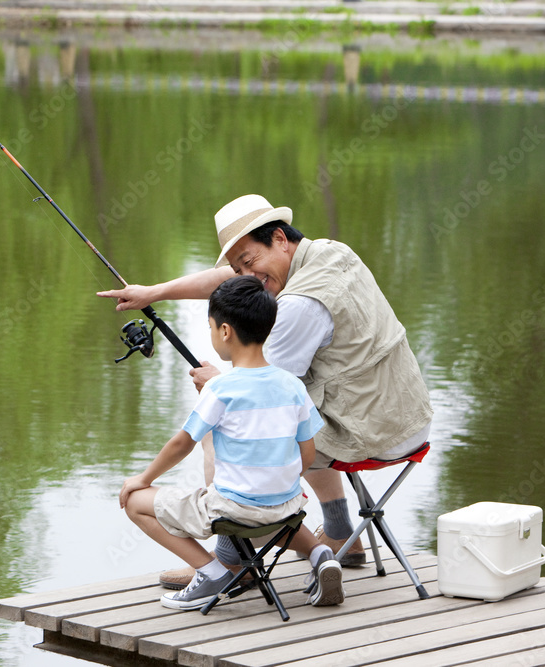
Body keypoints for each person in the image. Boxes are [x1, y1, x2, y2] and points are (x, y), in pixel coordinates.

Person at [101, 194, 433, 589]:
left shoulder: (299, 306)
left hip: (371, 431)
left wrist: (218, 384)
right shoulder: (330, 252)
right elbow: (234, 281)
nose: (247, 274)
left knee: (226, 424)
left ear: (278, 238)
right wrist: (154, 293)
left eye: (248, 261)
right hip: (407, 415)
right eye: (239, 267)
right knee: (297, 415)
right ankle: (340, 531)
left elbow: (258, 395)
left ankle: (232, 559)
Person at [118, 275, 345, 610]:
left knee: (135, 501)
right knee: (270, 508)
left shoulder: (220, 388)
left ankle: (211, 573)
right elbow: (307, 453)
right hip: (286, 508)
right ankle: (319, 552)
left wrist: (143, 479)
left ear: (224, 331)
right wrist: (278, 481)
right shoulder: (292, 385)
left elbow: (182, 444)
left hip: (234, 512)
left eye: (211, 327)